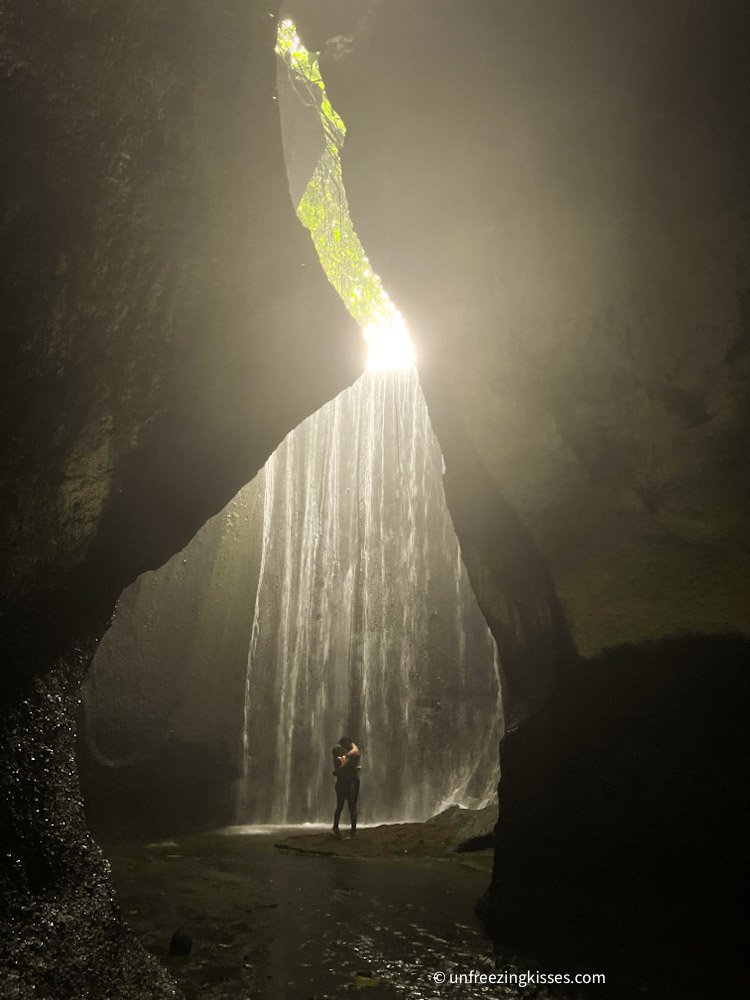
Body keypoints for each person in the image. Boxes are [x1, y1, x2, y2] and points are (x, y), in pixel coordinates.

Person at [331, 735, 360, 839]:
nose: (342, 750)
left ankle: (350, 830)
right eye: (339, 749)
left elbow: (341, 770)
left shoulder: (347, 756)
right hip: (344, 783)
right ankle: (342, 829)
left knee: (347, 806)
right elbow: (341, 770)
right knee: (343, 806)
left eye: (341, 748)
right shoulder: (340, 759)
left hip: (347, 782)